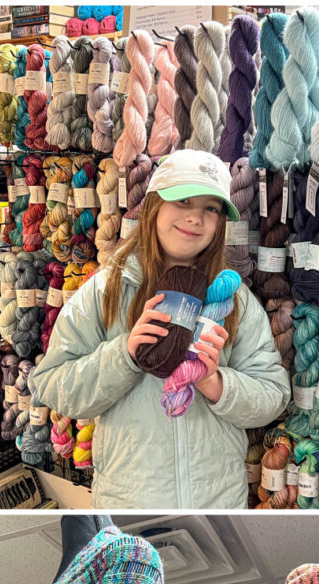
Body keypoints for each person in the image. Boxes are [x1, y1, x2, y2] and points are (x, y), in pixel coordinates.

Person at [30, 150, 290, 508]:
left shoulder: (234, 299)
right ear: (154, 205)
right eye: (183, 201)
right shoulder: (107, 290)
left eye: (211, 208)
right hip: (131, 506)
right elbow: (52, 385)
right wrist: (125, 355)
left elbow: (273, 395)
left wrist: (216, 383)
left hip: (216, 506)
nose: (195, 217)